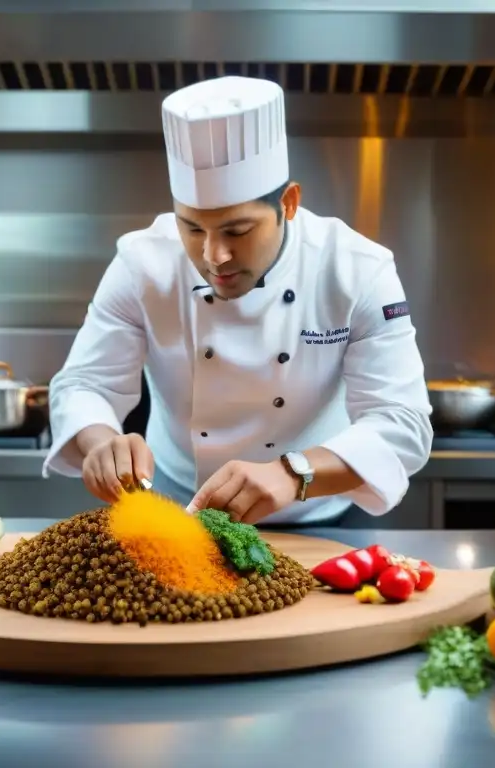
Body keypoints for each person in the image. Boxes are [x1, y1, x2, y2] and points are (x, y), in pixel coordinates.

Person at [41, 75, 433, 526]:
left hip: (320, 510)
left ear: (288, 203)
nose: (214, 257)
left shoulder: (357, 270)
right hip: (179, 511)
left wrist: (294, 473)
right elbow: (83, 385)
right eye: (192, 228)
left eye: (237, 231)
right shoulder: (142, 264)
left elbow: (403, 423)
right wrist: (101, 441)